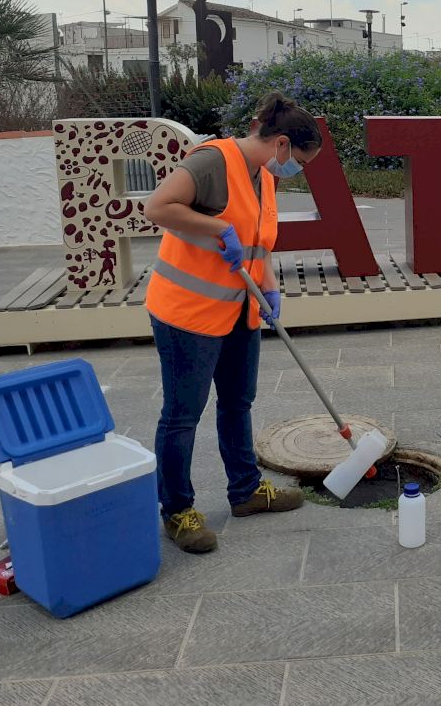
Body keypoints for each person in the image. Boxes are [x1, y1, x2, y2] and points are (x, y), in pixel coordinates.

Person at [143, 92, 322, 554]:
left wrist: (270, 286)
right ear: (281, 144)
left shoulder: (265, 177)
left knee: (238, 402)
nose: (297, 170)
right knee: (182, 415)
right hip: (187, 314)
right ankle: (177, 511)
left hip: (240, 310)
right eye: (300, 161)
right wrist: (217, 228)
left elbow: (259, 243)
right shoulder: (212, 162)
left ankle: (245, 491)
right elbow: (157, 207)